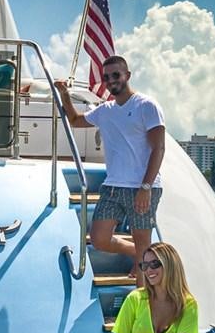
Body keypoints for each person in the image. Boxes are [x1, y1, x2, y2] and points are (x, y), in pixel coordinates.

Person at [53, 56, 165, 260]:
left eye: (116, 75)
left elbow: (159, 148)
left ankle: (143, 286)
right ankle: (135, 253)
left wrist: (146, 188)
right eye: (107, 77)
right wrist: (64, 94)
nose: (111, 80)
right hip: (113, 186)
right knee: (99, 239)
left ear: (127, 75)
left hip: (141, 187)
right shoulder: (106, 110)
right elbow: (76, 121)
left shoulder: (146, 106)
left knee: (143, 244)